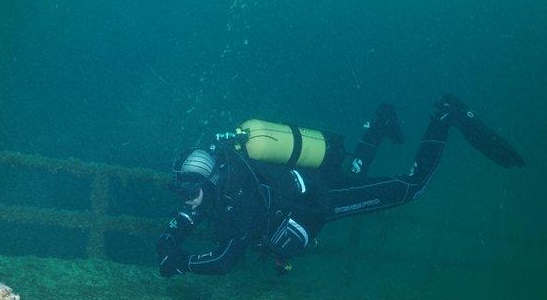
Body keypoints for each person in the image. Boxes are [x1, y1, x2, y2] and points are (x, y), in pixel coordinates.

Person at [156, 94, 524, 277]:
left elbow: (224, 260)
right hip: (318, 184)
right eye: (181, 193)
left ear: (212, 180)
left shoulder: (244, 197)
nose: (187, 202)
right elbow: (190, 214)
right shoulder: (218, 187)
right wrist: (170, 237)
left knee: (412, 188)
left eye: (190, 192)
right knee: (353, 173)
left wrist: (182, 262)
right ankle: (381, 119)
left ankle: (445, 117)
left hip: (324, 199)